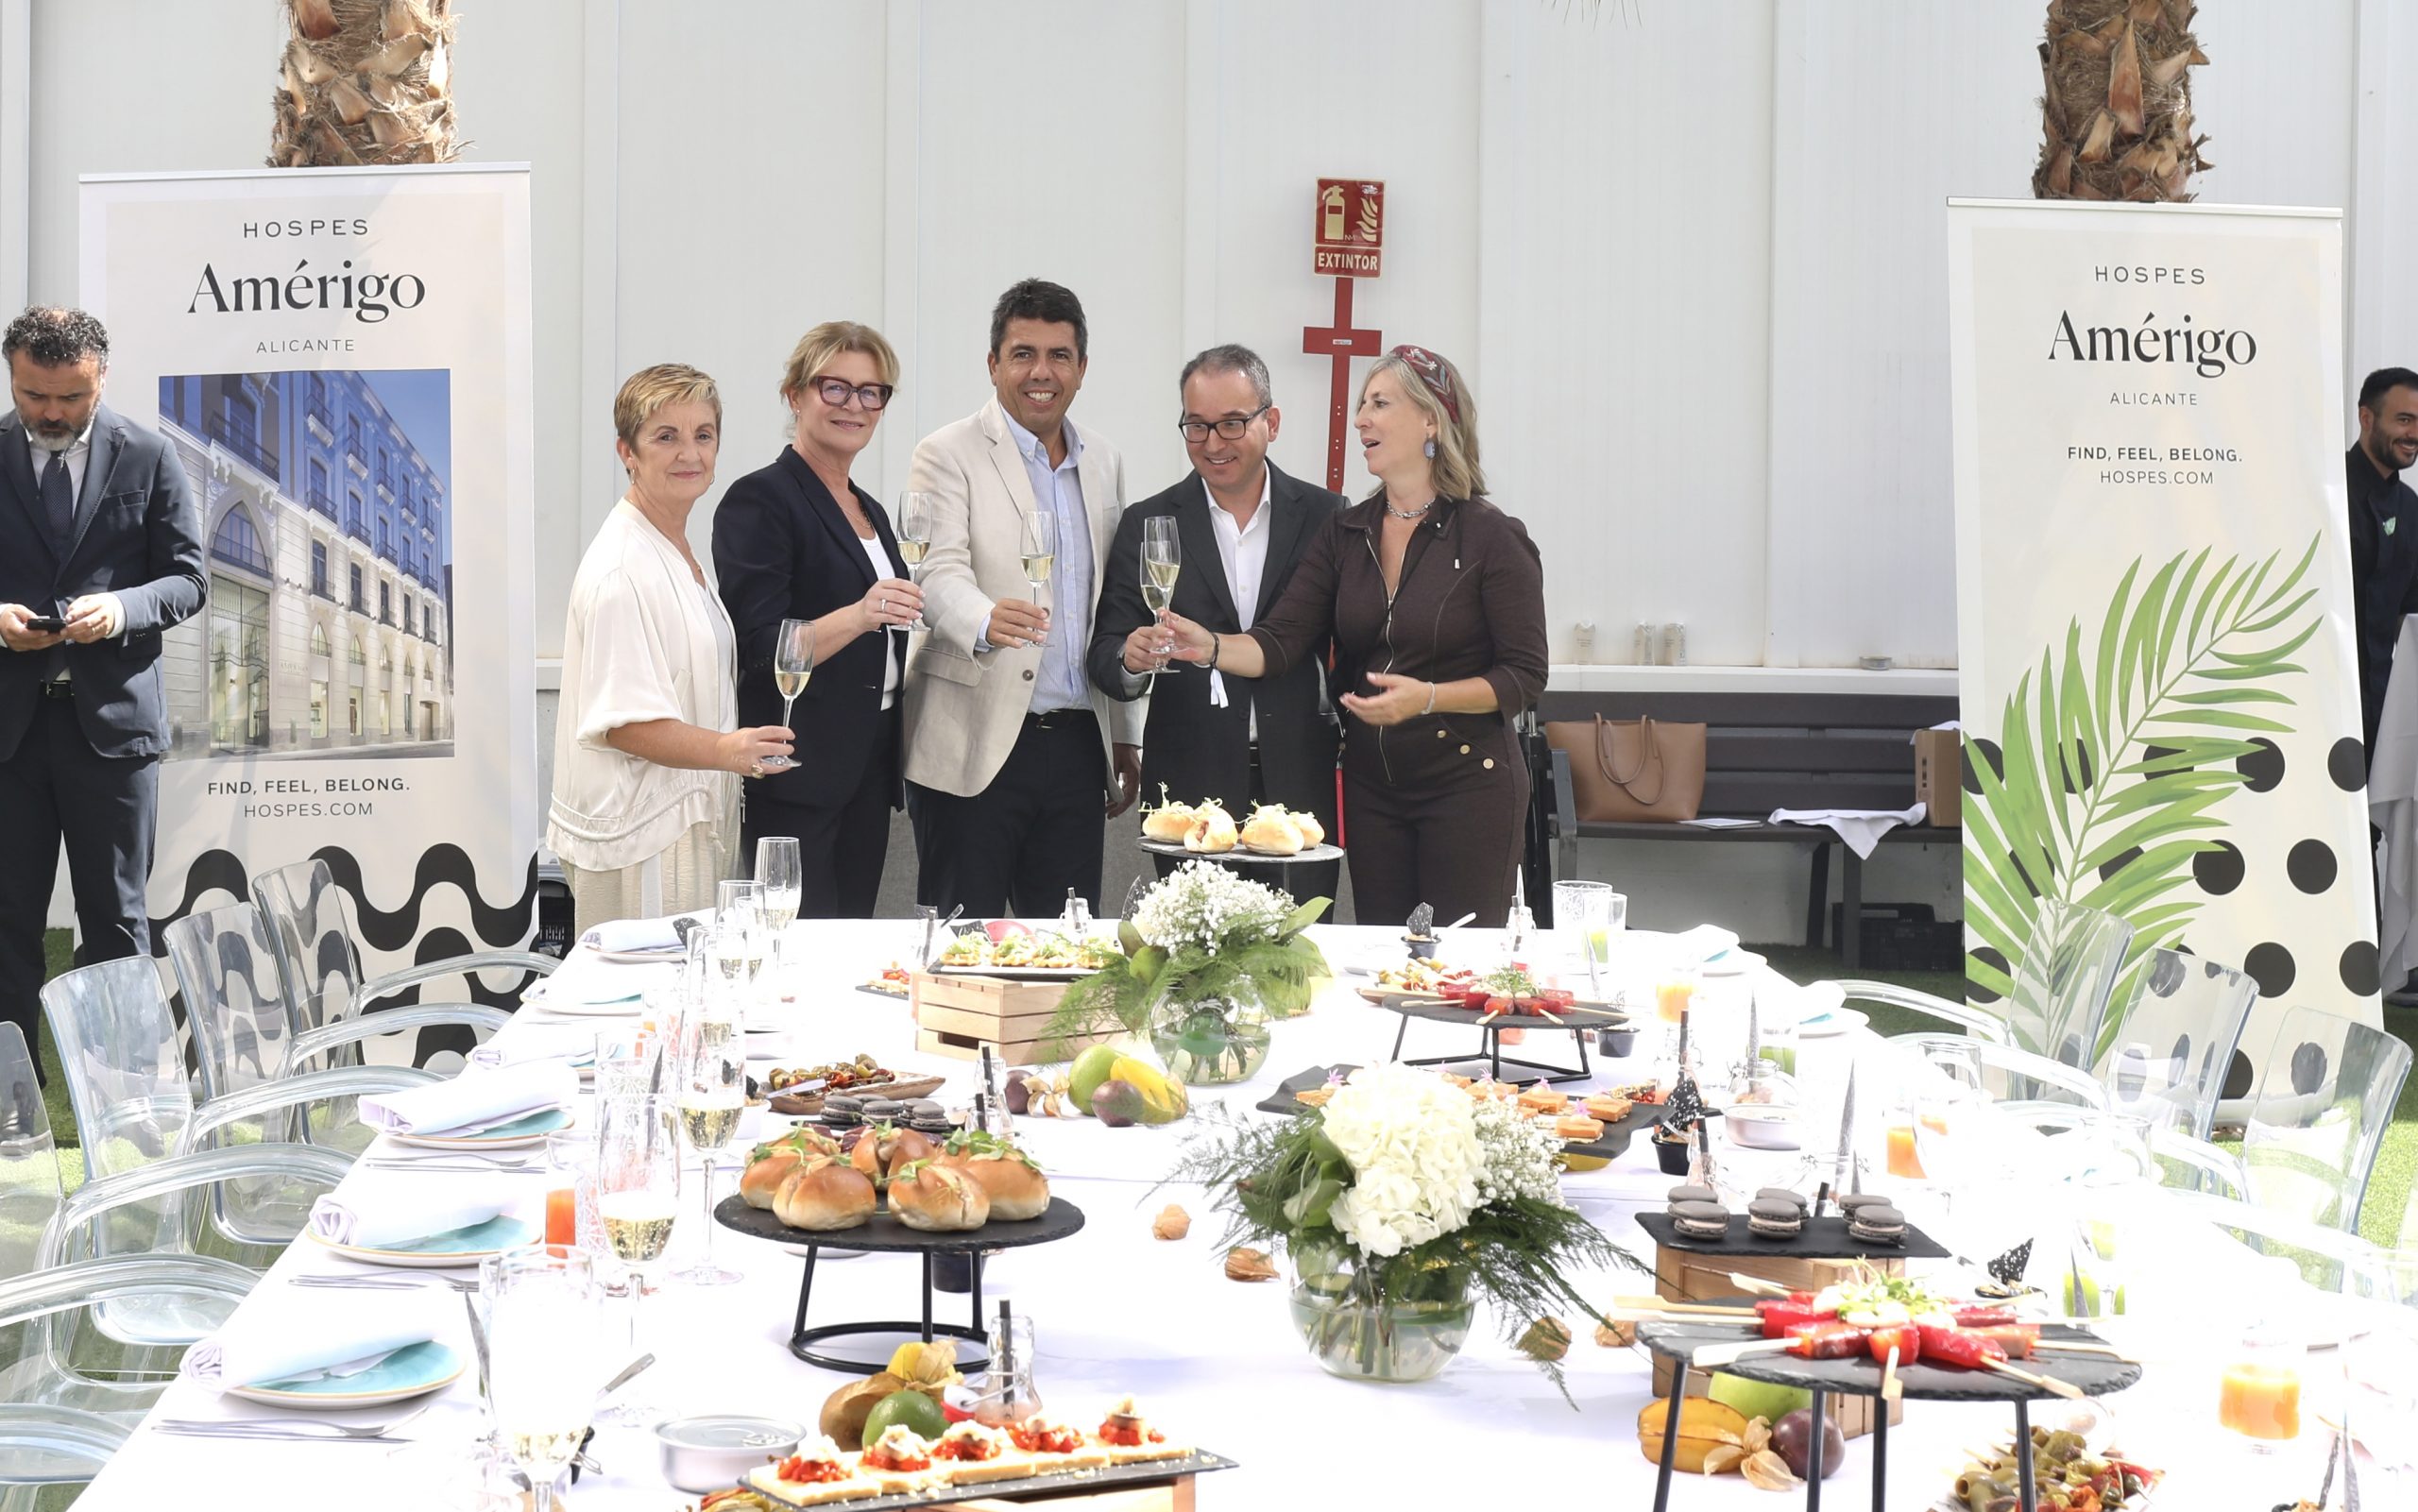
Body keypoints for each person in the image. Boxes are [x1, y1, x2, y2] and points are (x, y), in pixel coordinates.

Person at [1158, 345, 1547, 926]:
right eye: (1362, 404)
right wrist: (1208, 646)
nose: (1360, 418)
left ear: (1432, 419)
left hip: (1468, 785)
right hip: (1373, 789)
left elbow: (1525, 676)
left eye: (1380, 404)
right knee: (1380, 959)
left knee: (1456, 961)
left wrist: (1428, 698)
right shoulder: (1346, 532)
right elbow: (1281, 641)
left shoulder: (1493, 537)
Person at [0, 307, 204, 1073]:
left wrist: (120, 610)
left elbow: (188, 579)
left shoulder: (150, 455)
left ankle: (128, 1100)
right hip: (9, 735)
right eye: (33, 395)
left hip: (113, 736)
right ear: (12, 377)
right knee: (5, 923)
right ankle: (10, 1103)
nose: (52, 412)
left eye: (72, 397)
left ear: (103, 378)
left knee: (117, 924)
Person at [902, 279, 1143, 917]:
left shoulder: (1105, 461)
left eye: (1059, 355)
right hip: (972, 742)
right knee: (962, 948)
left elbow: (1113, 609)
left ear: (1082, 368)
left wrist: (1126, 734)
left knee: (1067, 951)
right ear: (993, 364)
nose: (1042, 372)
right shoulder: (945, 453)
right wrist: (985, 618)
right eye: (1023, 354)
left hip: (1077, 745)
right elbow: (932, 572)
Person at [1088, 344, 1345, 892]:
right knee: (1192, 941)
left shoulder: (1328, 516)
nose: (1212, 443)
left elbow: (1351, 643)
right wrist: (1130, 659)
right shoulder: (1148, 521)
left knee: (1298, 939)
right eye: (1196, 426)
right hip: (1188, 787)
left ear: (1271, 422)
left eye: (1232, 423)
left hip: (1299, 776)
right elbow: (1106, 651)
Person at [548, 364, 792, 928]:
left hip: (685, 826)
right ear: (626, 452)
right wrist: (729, 750)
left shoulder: (671, 545)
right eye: (666, 436)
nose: (690, 453)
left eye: (703, 435)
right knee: (656, 986)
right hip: (645, 844)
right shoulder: (621, 570)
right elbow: (625, 724)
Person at [714, 324, 921, 918]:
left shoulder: (869, 507)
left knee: (852, 939)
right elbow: (760, 645)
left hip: (870, 760)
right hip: (797, 765)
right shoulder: (760, 499)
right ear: (795, 395)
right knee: (800, 944)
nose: (854, 405)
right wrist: (860, 615)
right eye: (835, 387)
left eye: (871, 392)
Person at [2348, 365, 2418, 758]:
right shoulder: (2327, 491)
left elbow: (2410, 617)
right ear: (2366, 418)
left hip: (2385, 714)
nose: (2414, 434)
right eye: (2404, 419)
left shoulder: (2410, 508)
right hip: (2324, 702)